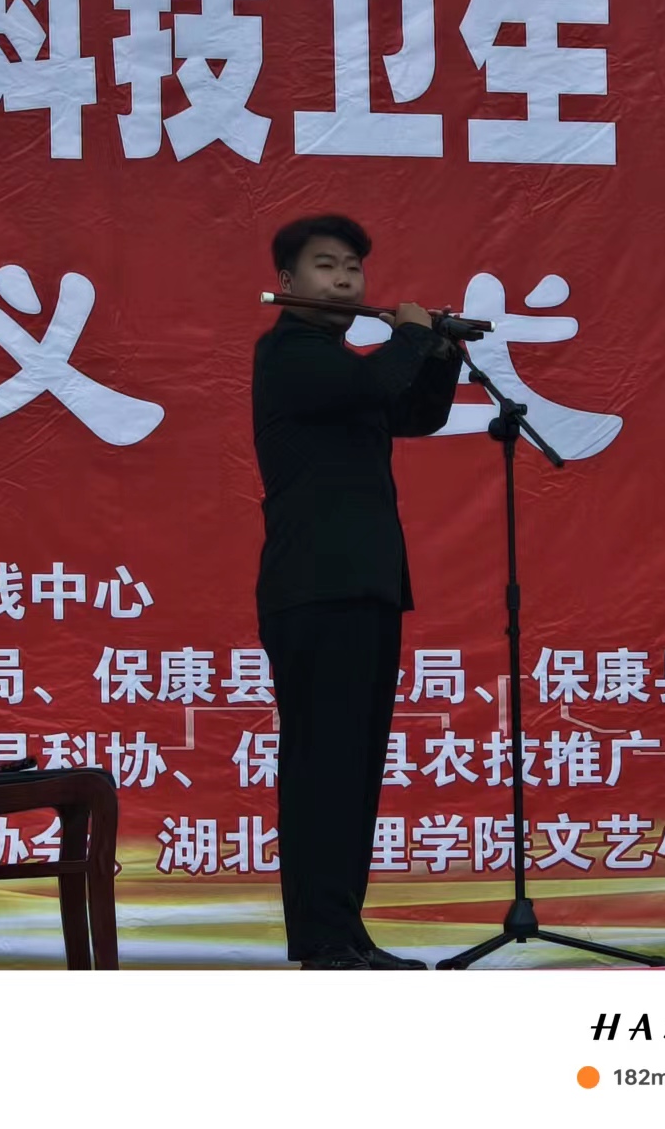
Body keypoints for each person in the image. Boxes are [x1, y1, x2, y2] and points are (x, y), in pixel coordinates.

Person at [252, 214, 463, 970]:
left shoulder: (344, 368)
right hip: (317, 587)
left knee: (355, 768)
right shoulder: (289, 355)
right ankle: (320, 940)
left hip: (366, 583)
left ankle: (345, 933)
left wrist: (440, 352)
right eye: (326, 266)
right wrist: (411, 335)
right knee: (324, 767)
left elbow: (414, 412)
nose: (344, 280)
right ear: (288, 281)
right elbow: (377, 379)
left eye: (352, 267)